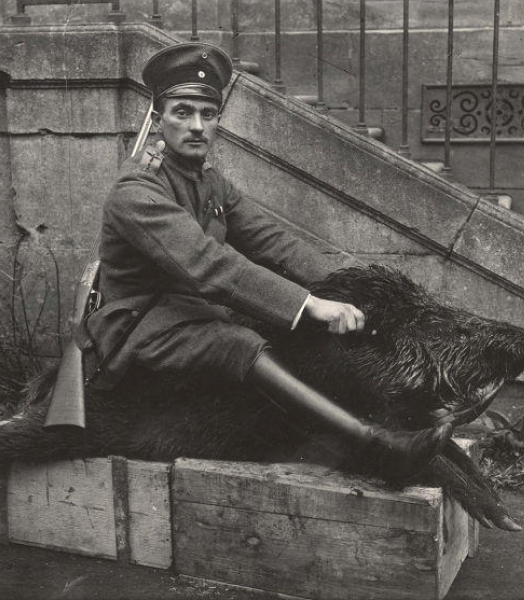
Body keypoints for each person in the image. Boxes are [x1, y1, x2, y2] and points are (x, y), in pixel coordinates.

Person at [84, 42, 451, 472]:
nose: (197, 126)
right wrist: (310, 304)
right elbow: (208, 266)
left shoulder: (209, 182)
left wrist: (351, 290)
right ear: (157, 118)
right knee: (237, 342)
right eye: (182, 112)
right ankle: (374, 443)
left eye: (209, 114)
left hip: (186, 315)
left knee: (276, 328)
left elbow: (274, 242)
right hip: (139, 330)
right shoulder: (137, 192)